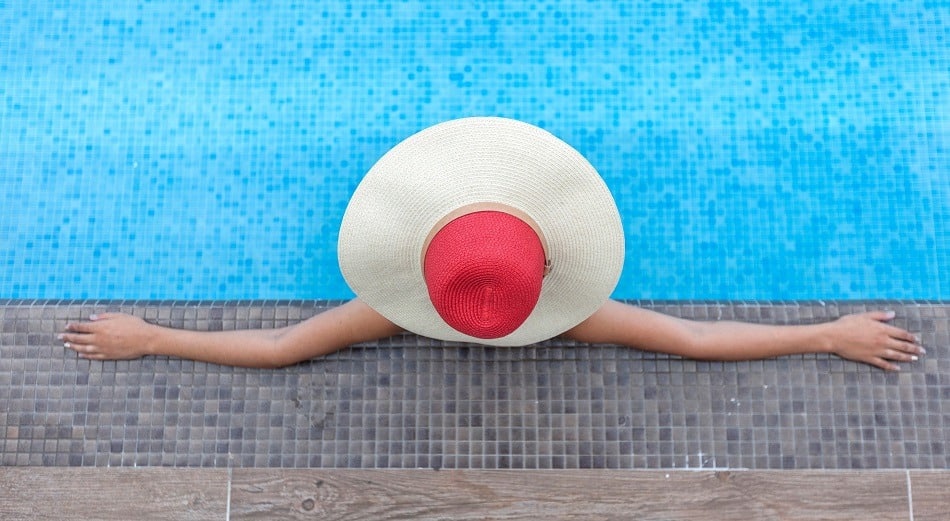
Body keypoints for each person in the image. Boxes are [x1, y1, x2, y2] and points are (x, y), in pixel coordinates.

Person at [59, 118, 924, 372]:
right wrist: (825, 334)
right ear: (550, 266)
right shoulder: (571, 321)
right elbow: (695, 340)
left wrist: (154, 338)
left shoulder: (395, 316)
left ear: (419, 268)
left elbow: (283, 347)